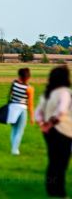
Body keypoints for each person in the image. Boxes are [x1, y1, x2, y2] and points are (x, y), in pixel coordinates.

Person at [35, 66, 72, 198]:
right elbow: (61, 112)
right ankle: (60, 193)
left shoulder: (47, 93)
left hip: (48, 132)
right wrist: (50, 124)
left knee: (53, 161)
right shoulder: (65, 92)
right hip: (63, 131)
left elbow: (38, 112)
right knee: (61, 163)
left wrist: (43, 124)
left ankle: (51, 190)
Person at [6, 68, 35, 155]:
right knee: (20, 131)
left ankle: (14, 148)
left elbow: (10, 96)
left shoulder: (14, 84)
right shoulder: (29, 88)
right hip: (22, 109)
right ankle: (15, 150)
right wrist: (32, 117)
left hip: (12, 108)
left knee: (14, 129)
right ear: (28, 77)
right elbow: (30, 104)